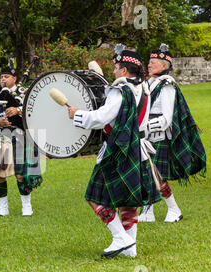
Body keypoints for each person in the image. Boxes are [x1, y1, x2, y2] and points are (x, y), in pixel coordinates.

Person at [67, 46, 161, 257]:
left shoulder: (120, 91)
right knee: (128, 201)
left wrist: (78, 114)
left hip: (118, 149)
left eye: (117, 67)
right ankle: (131, 247)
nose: (114, 71)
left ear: (125, 71)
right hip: (139, 151)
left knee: (95, 196)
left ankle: (121, 239)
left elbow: (102, 118)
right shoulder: (144, 89)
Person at [139, 44, 206, 223]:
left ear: (164, 66)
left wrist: (145, 128)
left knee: (156, 175)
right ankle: (148, 211)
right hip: (148, 137)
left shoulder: (167, 86)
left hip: (159, 136)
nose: (149, 65)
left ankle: (174, 209)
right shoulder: (150, 84)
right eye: (149, 62)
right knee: (148, 174)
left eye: (153, 62)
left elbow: (167, 119)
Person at [0, 66, 43, 217]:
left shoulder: (24, 92)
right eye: (2, 77)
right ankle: (3, 209)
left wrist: (18, 110)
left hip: (21, 135)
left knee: (20, 174)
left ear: (14, 79)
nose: (3, 79)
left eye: (7, 76)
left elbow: (35, 109)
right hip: (1, 135)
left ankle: (26, 206)